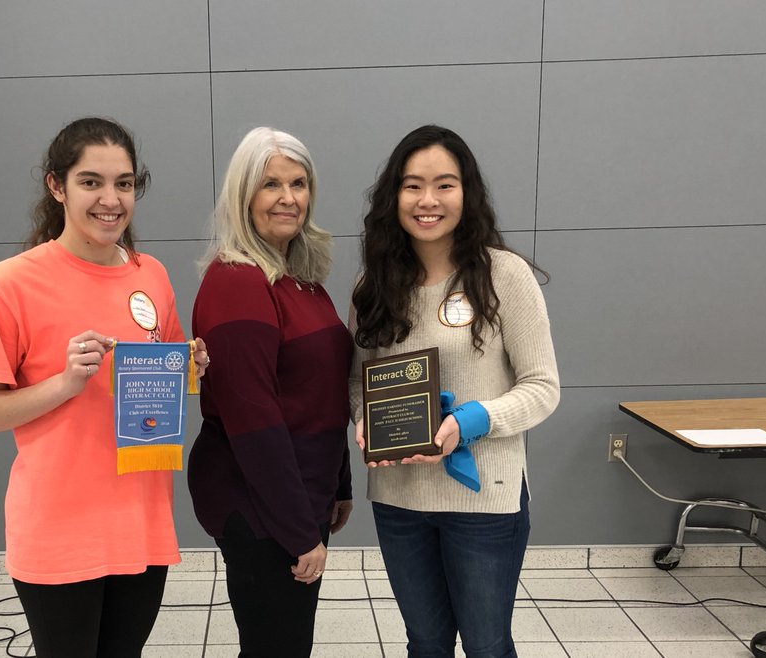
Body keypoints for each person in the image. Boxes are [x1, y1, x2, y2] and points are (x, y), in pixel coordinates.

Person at [0, 117, 208, 658]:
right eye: (90, 182)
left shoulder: (152, 274)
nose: (110, 200)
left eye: (123, 183)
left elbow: (165, 379)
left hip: (141, 518)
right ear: (56, 186)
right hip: (59, 527)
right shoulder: (11, 282)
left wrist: (191, 368)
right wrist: (64, 383)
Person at [348, 125, 560, 658]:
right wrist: (363, 417)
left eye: (444, 184)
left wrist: (470, 421)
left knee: (487, 646)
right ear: (392, 196)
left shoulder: (504, 276)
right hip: (398, 499)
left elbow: (542, 387)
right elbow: (358, 380)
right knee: (425, 643)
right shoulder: (372, 286)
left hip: (484, 498)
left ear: (467, 192)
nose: (427, 200)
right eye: (412, 185)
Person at [188, 127, 354, 657]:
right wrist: (297, 530)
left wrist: (339, 482)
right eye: (270, 185)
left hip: (303, 492)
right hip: (262, 506)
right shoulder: (237, 281)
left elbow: (323, 390)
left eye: (299, 183)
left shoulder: (301, 281)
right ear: (244, 196)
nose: (288, 198)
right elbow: (252, 419)